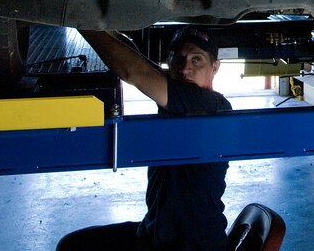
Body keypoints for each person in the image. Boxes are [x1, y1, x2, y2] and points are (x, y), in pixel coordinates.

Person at [56, 26, 232, 251]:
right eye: (178, 59)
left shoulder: (208, 104)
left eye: (197, 60)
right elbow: (142, 63)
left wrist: (79, 20)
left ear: (215, 67)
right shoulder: (179, 94)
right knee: (74, 245)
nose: (186, 68)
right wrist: (103, 25)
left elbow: (134, 72)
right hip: (157, 231)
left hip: (187, 245)